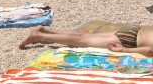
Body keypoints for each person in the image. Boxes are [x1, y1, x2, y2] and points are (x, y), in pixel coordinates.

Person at [17, 24, 153, 56]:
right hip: (130, 40)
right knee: (84, 41)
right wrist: (125, 50)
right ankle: (39, 36)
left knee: (86, 36)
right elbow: (149, 50)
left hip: (135, 31)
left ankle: (47, 31)